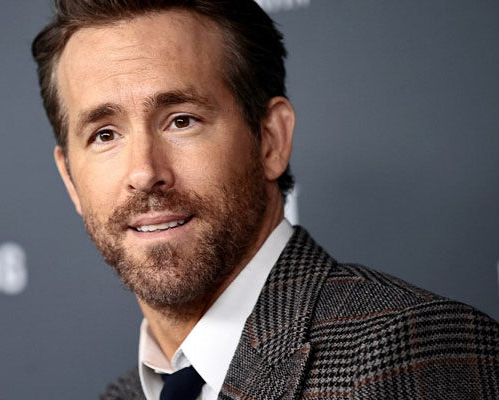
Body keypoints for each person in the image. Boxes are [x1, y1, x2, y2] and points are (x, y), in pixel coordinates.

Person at [31, 1, 499, 399]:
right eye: (105, 134)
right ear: (70, 178)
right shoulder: (123, 396)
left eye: (181, 120)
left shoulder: (407, 352)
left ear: (271, 139)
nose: (144, 172)